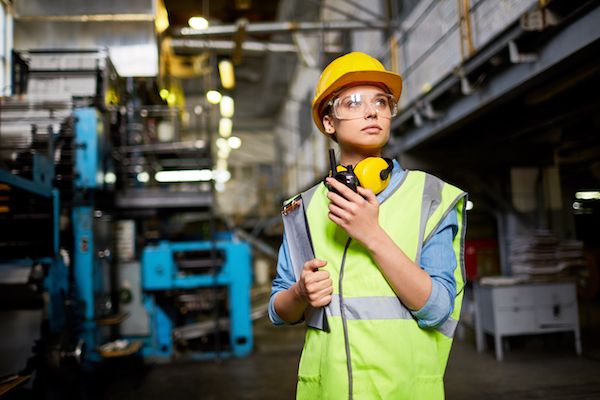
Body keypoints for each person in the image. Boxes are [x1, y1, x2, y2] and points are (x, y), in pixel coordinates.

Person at [269, 52, 467, 399]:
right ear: (329, 122)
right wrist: (300, 293)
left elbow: (437, 310)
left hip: (403, 391)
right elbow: (278, 310)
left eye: (381, 101)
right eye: (354, 102)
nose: (372, 110)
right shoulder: (303, 209)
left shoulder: (430, 197)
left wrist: (373, 235)